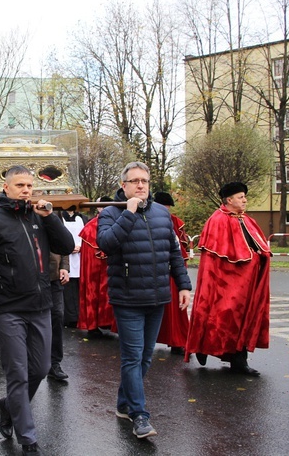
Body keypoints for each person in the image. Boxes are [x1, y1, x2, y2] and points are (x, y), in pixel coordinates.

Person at [0, 165, 74, 455]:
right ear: (7, 188)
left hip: (41, 306)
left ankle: (8, 406)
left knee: (40, 368)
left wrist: (50, 217)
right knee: (18, 373)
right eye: (20, 185)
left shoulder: (40, 217)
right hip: (8, 309)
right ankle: (28, 438)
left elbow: (67, 245)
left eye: (29, 185)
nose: (26, 190)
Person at [97, 162, 192, 439]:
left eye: (145, 181)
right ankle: (139, 415)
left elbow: (173, 253)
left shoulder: (163, 214)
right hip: (127, 297)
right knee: (132, 357)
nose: (141, 186)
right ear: (123, 185)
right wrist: (129, 213)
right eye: (135, 181)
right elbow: (106, 244)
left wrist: (184, 285)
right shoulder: (111, 213)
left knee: (145, 358)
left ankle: (124, 404)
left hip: (158, 296)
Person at [184, 182, 271, 377]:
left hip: (247, 285)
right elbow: (214, 262)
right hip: (226, 286)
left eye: (244, 197)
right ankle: (205, 348)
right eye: (241, 197)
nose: (245, 200)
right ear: (229, 200)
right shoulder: (218, 220)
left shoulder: (247, 220)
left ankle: (239, 360)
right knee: (224, 319)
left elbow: (257, 248)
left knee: (241, 321)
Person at [153, 191, 191, 355]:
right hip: (155, 269)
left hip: (171, 270)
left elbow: (181, 250)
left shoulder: (175, 222)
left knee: (176, 308)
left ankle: (178, 340)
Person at [78, 196, 116, 337]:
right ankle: (93, 324)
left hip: (109, 266)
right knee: (93, 290)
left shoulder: (115, 222)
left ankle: (107, 322)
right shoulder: (90, 228)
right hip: (95, 266)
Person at [60, 206, 85, 327]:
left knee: (78, 286)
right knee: (68, 288)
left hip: (80, 255)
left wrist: (81, 246)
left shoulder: (82, 218)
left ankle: (80, 315)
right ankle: (69, 317)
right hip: (67, 255)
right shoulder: (60, 218)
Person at [48, 251, 70, 381]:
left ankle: (54, 363)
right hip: (31, 278)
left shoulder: (55, 229)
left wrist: (64, 267)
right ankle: (28, 364)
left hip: (54, 278)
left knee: (57, 316)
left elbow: (64, 246)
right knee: (31, 319)